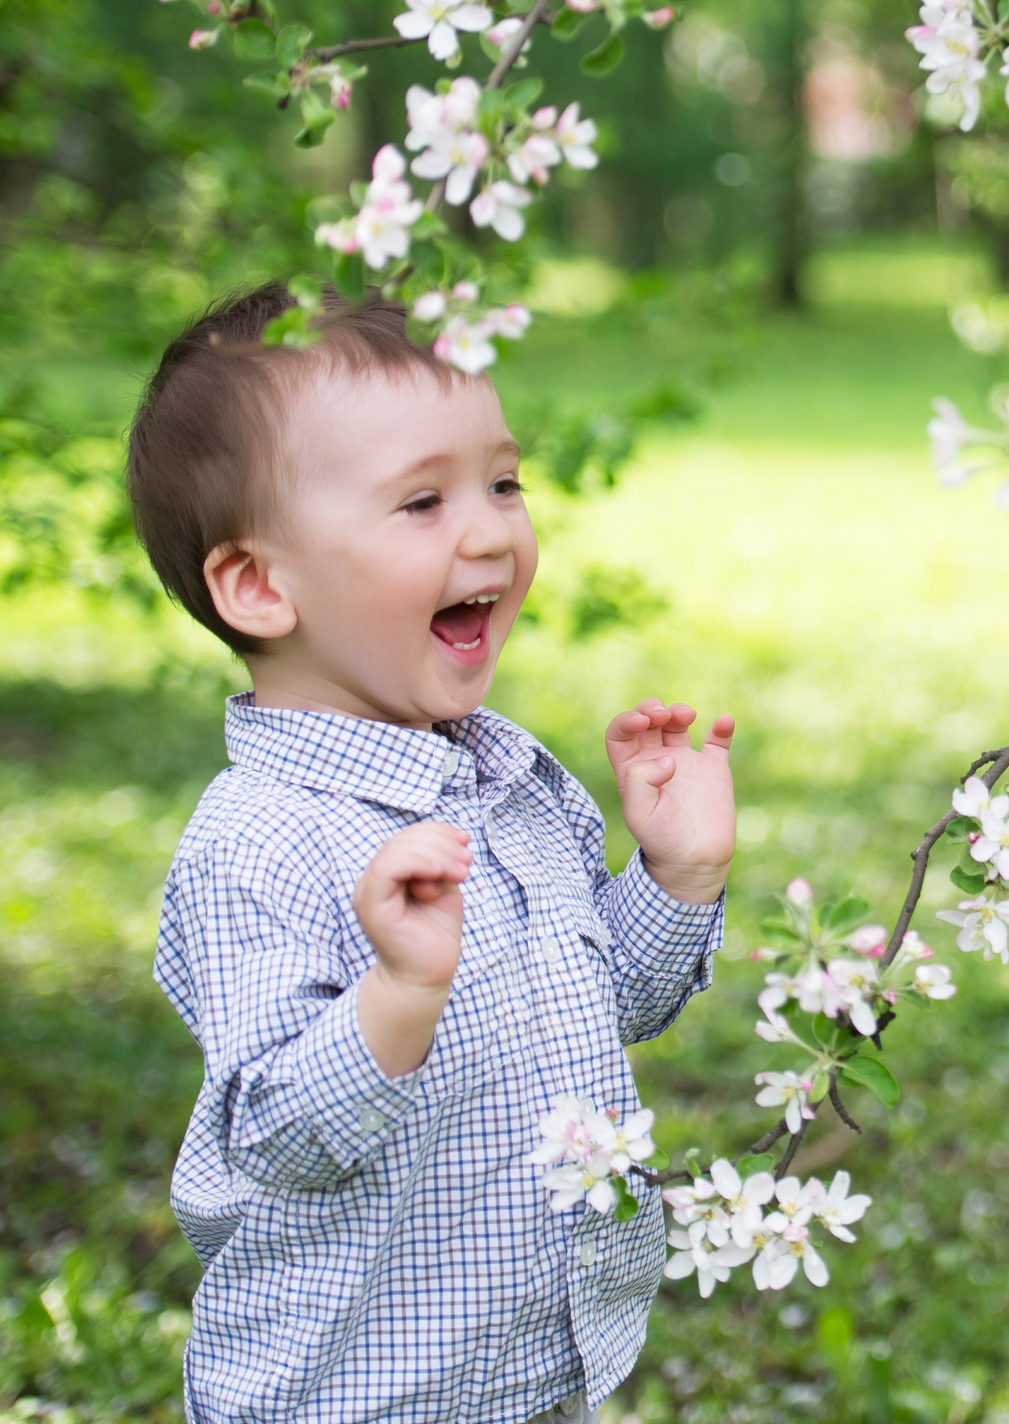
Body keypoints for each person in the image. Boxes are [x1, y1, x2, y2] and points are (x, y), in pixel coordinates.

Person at [131, 283, 734, 1423]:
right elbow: (278, 1136)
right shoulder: (255, 843)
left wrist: (673, 877)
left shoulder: (509, 782)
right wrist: (400, 990)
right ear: (261, 585)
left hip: (535, 1372)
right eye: (421, 501)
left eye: (502, 482)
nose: (489, 529)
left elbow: (598, 1012)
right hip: (349, 1397)